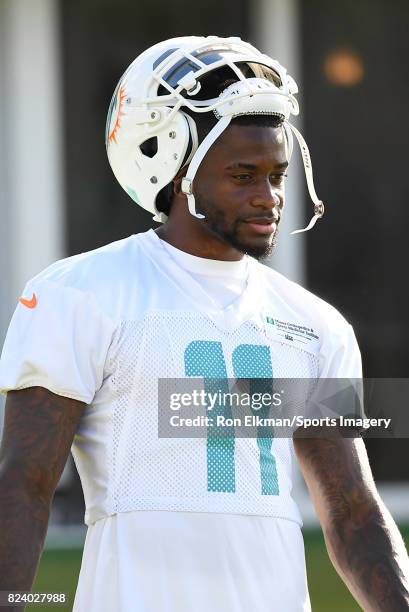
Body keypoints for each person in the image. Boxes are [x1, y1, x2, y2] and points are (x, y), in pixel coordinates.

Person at [0, 35, 408, 612]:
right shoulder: (80, 294)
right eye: (243, 175)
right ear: (174, 166)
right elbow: (25, 484)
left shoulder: (318, 326)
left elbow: (352, 509)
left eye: (277, 175)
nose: (268, 198)